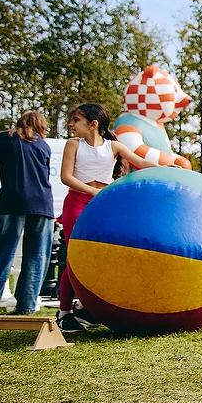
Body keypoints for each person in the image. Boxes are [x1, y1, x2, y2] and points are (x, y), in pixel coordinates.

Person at [56, 103, 159, 331]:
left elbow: (140, 162)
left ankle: (84, 307)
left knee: (104, 256)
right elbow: (65, 177)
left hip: (102, 206)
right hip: (77, 204)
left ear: (93, 124)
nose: (71, 125)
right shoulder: (73, 144)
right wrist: (92, 191)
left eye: (76, 120)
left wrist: (166, 168)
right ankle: (64, 313)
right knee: (76, 258)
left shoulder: (113, 146)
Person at [0, 112, 55, 316]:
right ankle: (26, 306)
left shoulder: (4, 137)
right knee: (37, 255)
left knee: (4, 251)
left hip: (12, 202)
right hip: (42, 205)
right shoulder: (44, 145)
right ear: (41, 125)